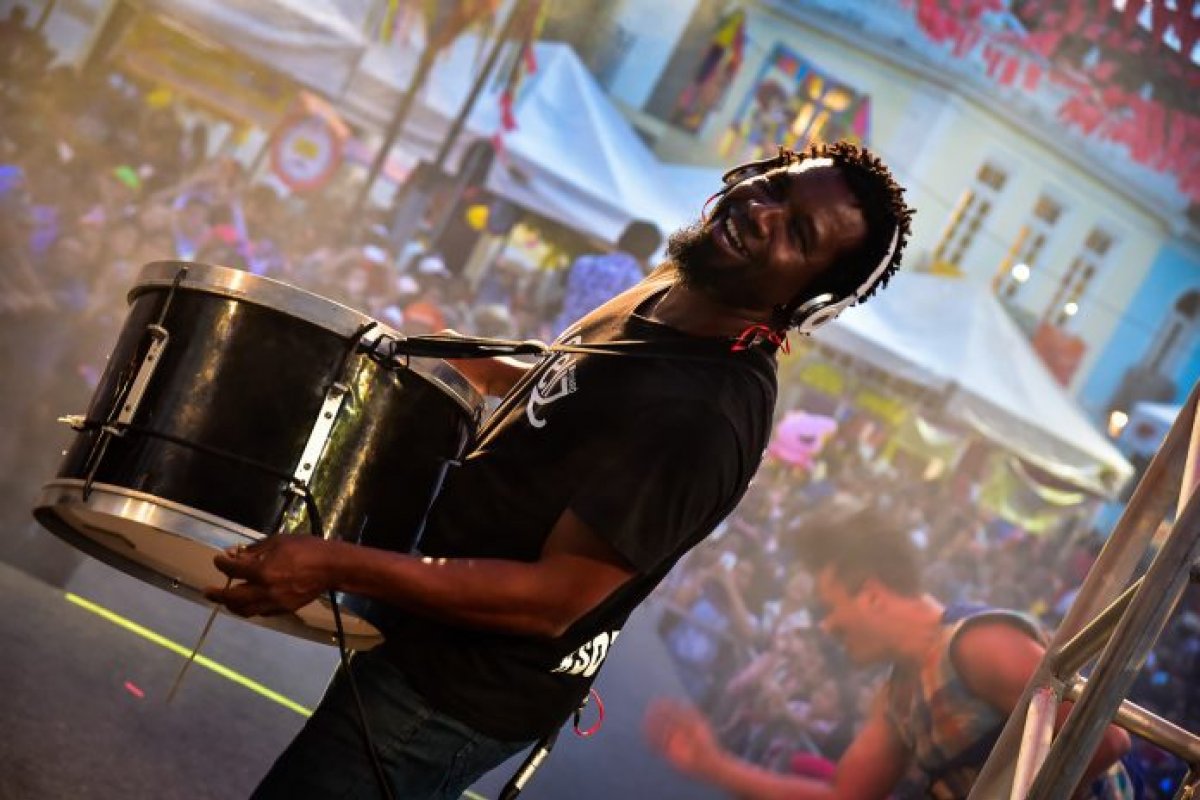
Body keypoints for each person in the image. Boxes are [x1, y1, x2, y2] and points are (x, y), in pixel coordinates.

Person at [204, 141, 915, 800]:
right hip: (425, 640)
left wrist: (334, 563)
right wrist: (486, 368)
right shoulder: (680, 283)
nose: (762, 214)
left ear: (808, 302)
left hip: (452, 697)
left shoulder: (707, 414)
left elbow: (551, 599)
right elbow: (588, 404)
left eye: (797, 234)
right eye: (775, 186)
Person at [643, 505, 1137, 800]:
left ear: (873, 595)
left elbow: (1104, 740)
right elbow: (848, 797)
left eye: (831, 607)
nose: (826, 626)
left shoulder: (976, 644)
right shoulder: (898, 694)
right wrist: (714, 765)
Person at [550, 218, 663, 337]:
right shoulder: (639, 287)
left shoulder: (583, 263)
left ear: (621, 238)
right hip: (588, 349)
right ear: (650, 252)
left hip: (558, 336)